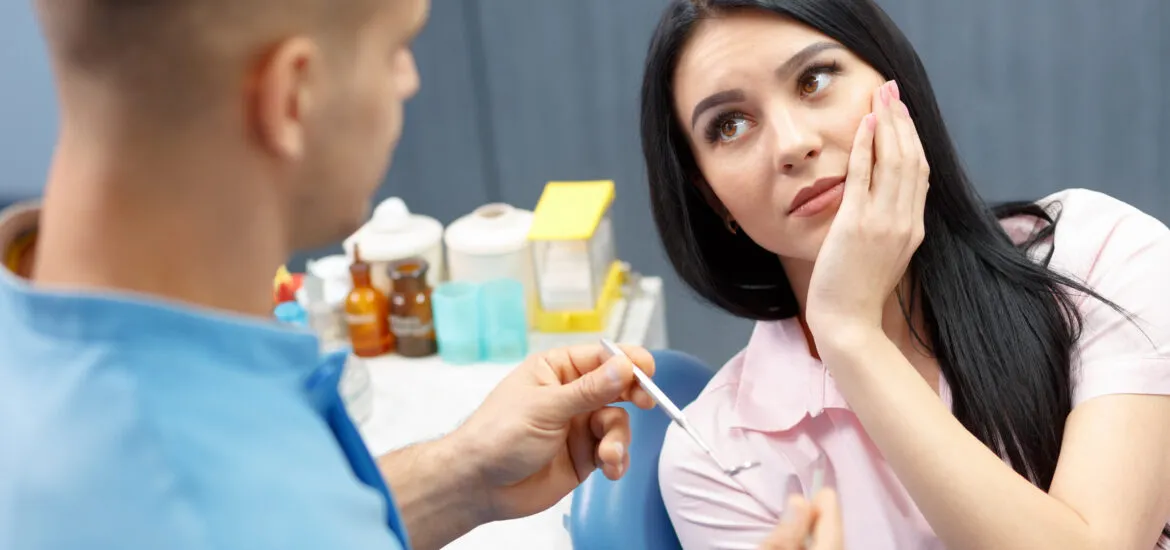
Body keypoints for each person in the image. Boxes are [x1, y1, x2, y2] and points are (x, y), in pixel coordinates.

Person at [0, 1, 658, 549]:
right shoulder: (192, 503)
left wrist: (467, 474)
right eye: (395, 49)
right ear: (294, 96)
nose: (409, 80)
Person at [640, 1, 1170, 549]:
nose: (793, 143)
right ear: (710, 194)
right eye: (730, 125)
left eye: (814, 79)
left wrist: (849, 332)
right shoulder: (715, 457)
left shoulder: (1098, 253)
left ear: (893, 81)